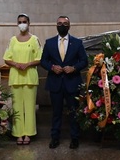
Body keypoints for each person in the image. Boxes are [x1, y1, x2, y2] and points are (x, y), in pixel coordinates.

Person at [40, 15, 88, 149]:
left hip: (72, 83)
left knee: (74, 112)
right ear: (56, 25)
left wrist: (74, 68)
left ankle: (75, 138)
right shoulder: (49, 42)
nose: (62, 25)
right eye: (59, 23)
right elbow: (43, 61)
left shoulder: (77, 42)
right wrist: (52, 67)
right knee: (56, 112)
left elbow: (84, 61)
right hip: (55, 83)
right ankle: (55, 138)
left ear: (69, 26)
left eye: (65, 23)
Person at [3, 14, 42, 145]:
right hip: (15, 77)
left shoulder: (35, 40)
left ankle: (28, 133)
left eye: (24, 21)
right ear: (17, 24)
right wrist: (15, 64)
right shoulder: (12, 40)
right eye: (20, 22)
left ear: (29, 23)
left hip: (30, 77)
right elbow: (7, 58)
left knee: (30, 107)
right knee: (17, 107)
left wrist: (28, 64)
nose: (22, 24)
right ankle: (18, 133)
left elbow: (39, 58)